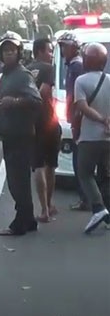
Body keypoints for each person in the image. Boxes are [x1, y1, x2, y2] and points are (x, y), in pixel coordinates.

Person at [0, 31, 42, 236]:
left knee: (16, 181)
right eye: (5, 51)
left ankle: (20, 223)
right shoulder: (7, 75)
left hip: (20, 135)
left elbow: (36, 101)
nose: (9, 54)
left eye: (12, 50)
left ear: (19, 52)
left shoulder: (22, 74)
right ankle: (28, 220)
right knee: (17, 180)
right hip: (9, 134)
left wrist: (14, 102)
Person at [72, 42, 110, 233]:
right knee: (106, 175)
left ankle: (98, 208)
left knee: (85, 173)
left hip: (89, 137)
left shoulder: (81, 81)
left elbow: (82, 107)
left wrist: (101, 119)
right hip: (107, 138)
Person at [26, 38, 62, 222]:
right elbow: (46, 91)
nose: (51, 54)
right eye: (49, 50)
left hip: (33, 124)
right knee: (50, 165)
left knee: (38, 165)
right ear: (40, 51)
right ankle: (48, 205)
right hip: (49, 121)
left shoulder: (26, 71)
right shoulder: (49, 68)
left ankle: (44, 210)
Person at [58, 32, 90, 211]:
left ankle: (86, 199)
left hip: (81, 120)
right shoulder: (71, 66)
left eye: (65, 46)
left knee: (80, 163)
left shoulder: (77, 67)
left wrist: (75, 120)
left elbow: (76, 97)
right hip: (77, 119)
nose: (63, 50)